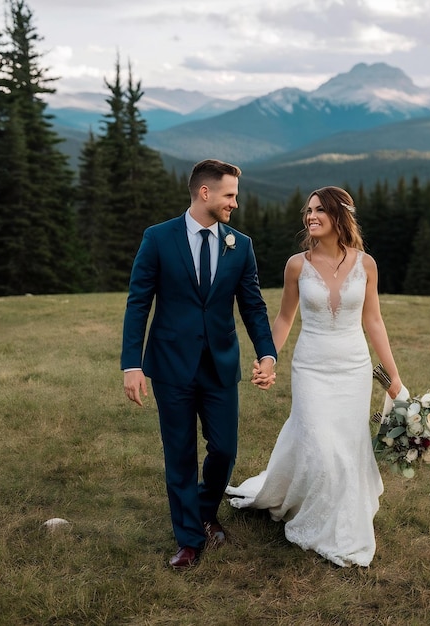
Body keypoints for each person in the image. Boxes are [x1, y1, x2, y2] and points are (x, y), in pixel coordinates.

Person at [226, 186, 408, 567]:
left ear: (339, 216)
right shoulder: (297, 264)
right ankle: (312, 513)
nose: (310, 216)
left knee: (346, 447)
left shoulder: (366, 264)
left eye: (319, 210)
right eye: (307, 210)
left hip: (354, 368)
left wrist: (391, 374)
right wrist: (268, 359)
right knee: (321, 445)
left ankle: (342, 519)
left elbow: (373, 320)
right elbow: (285, 318)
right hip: (311, 367)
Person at [121, 159, 277, 569]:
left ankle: (206, 510)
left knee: (224, 449)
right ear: (204, 193)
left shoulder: (239, 245)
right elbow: (139, 303)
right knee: (179, 453)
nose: (235, 204)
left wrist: (267, 353)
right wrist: (131, 364)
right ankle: (189, 540)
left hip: (221, 365)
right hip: (170, 364)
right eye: (230, 195)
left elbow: (253, 307)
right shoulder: (157, 238)